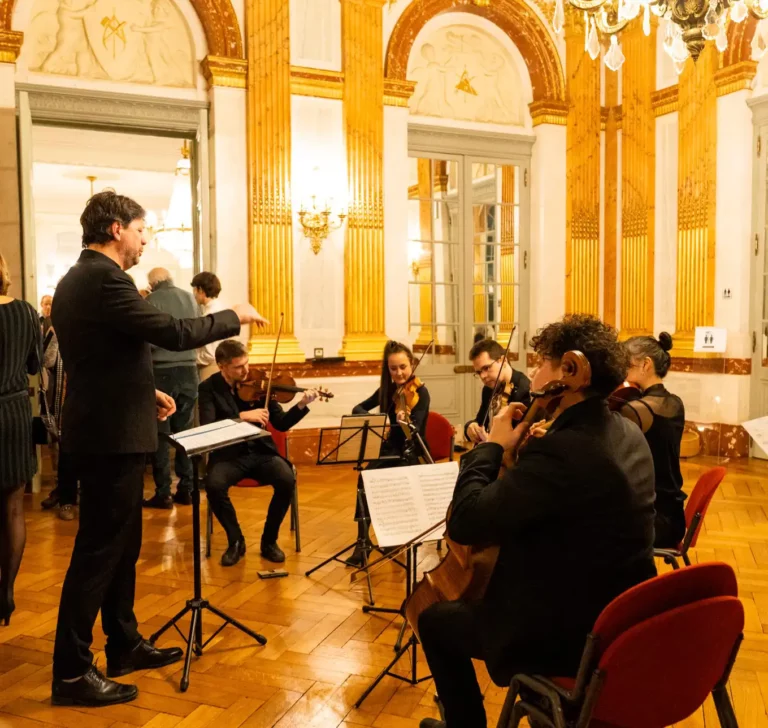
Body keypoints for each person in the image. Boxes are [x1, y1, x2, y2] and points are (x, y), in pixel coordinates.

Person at [50, 190, 267, 708]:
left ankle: (123, 643)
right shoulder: (104, 279)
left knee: (121, 547)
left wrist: (142, 393)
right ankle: (72, 672)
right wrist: (232, 315)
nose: (146, 239)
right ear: (116, 229)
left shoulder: (82, 279)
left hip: (110, 428)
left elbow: (99, 360)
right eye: (142, 229)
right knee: (99, 552)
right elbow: (173, 332)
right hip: (109, 440)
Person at [417, 314, 657, 728]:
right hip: (622, 616)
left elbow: (467, 521)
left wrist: (492, 448)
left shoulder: (565, 451)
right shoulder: (626, 432)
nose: (532, 372)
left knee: (434, 620)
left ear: (571, 369)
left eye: (540, 361)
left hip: (566, 634)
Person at [199, 340, 318, 565]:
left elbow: (281, 424)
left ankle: (269, 541)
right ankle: (236, 540)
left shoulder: (261, 386)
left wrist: (302, 404)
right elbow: (208, 425)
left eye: (247, 364)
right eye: (238, 367)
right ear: (221, 366)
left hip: (261, 452)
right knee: (214, 485)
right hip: (229, 455)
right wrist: (241, 417)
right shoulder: (208, 388)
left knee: (286, 479)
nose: (245, 371)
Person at [348, 341, 431, 566]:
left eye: (403, 367)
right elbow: (358, 408)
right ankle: (362, 542)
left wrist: (407, 423)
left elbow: (417, 429)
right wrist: (381, 420)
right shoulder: (387, 390)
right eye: (393, 368)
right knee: (364, 479)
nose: (399, 373)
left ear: (412, 364)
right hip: (389, 449)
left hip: (410, 452)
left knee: (394, 480)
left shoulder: (421, 393)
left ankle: (394, 537)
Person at [0, 253, 42, 626]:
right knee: (13, 506)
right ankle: (7, 590)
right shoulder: (27, 312)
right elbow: (34, 365)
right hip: (14, 413)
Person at [621, 332, 686, 549]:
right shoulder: (674, 402)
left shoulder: (636, 409)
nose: (622, 372)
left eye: (626, 365)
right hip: (673, 515)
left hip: (653, 521)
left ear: (645, 364)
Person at [143, 267, 200, 509]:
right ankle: (186, 489)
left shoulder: (151, 301)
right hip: (189, 371)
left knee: (162, 436)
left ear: (153, 283)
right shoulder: (190, 297)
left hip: (161, 373)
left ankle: (163, 493)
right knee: (185, 433)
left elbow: (146, 338)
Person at [39, 317, 78, 521]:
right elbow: (47, 361)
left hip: (92, 398)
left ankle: (70, 494)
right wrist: (54, 337)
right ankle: (66, 498)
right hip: (66, 398)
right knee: (66, 450)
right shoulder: (59, 331)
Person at [464, 338, 531, 444]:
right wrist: (469, 427)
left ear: (503, 361)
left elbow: (521, 438)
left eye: (486, 368)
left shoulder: (525, 389)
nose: (483, 376)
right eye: (478, 372)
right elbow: (481, 421)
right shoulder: (488, 389)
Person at [192, 271, 227, 381]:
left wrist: (191, 358)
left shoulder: (210, 315)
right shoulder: (221, 308)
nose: (194, 294)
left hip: (210, 367)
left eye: (194, 290)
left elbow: (209, 354)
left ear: (201, 290)